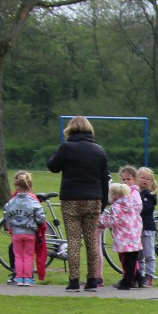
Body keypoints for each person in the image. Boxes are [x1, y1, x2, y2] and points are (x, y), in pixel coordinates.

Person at [46, 115, 109, 292]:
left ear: (70, 130)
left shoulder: (66, 148)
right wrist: (103, 202)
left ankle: (74, 280)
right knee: (91, 241)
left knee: (73, 240)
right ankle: (92, 280)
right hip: (93, 199)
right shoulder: (99, 151)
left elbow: (52, 166)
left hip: (71, 199)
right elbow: (104, 179)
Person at [97, 181, 142, 289]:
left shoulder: (116, 207)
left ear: (113, 195)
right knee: (132, 261)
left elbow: (112, 221)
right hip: (134, 238)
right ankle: (138, 278)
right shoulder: (130, 204)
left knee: (126, 262)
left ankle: (127, 283)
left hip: (124, 239)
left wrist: (99, 218)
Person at [3, 171, 45, 286]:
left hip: (16, 232)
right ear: (30, 186)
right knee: (28, 256)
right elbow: (41, 218)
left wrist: (11, 224)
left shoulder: (11, 202)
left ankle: (19, 277)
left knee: (18, 256)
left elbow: (6, 215)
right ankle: (27, 278)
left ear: (17, 187)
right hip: (30, 232)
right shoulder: (33, 201)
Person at [132, 167, 158, 287]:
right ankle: (139, 276)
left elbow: (145, 208)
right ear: (137, 178)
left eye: (148, 179)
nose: (145, 180)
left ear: (151, 182)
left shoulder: (149, 195)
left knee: (148, 254)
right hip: (136, 228)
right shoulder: (134, 193)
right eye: (143, 177)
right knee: (138, 255)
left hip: (147, 228)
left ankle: (149, 276)